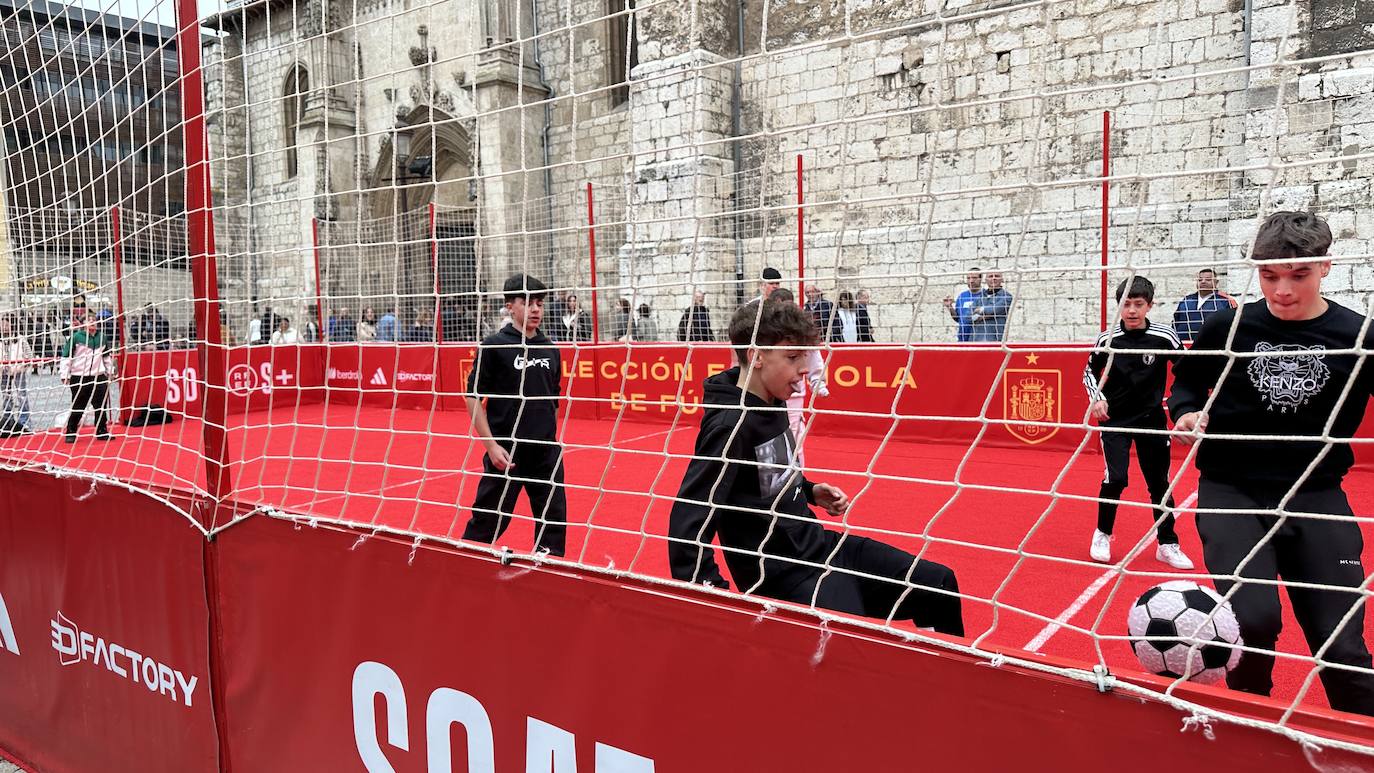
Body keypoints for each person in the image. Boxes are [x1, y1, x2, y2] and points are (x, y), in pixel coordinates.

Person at [1169, 211, 1374, 716]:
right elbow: (1188, 383)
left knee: (1342, 645)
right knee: (1252, 622)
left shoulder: (1360, 335)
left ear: (1325, 266)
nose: (1282, 290)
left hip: (1317, 494)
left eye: (1298, 275)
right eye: (1269, 276)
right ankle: (1250, 724)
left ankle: (1358, 741)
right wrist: (1187, 411)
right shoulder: (1230, 325)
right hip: (1232, 490)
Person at [667, 298, 963, 634]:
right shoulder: (730, 424)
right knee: (854, 643)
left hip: (820, 546)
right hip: (784, 575)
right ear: (757, 356)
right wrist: (713, 595)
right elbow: (688, 516)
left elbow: (766, 475)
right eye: (793, 358)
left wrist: (808, 490)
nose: (804, 370)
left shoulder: (773, 399)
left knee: (938, 582)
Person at [1082, 276, 1192, 570]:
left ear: (1149, 305)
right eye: (1126, 304)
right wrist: (1097, 397)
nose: (1131, 310)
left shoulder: (1164, 337)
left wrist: (1185, 407)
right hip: (1115, 419)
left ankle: (1168, 544)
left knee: (1159, 483)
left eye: (1138, 304)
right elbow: (1088, 372)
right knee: (1115, 478)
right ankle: (1102, 534)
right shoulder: (1108, 339)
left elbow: (1188, 371)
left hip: (1151, 419)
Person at [461, 274, 567, 557]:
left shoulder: (550, 349)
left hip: (546, 454)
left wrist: (547, 437)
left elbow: (553, 400)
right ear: (510, 306)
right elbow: (472, 396)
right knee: (487, 521)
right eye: (528, 303)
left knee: (553, 525)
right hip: (506, 453)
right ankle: (465, 566)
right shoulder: (494, 345)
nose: (535, 309)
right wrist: (491, 446)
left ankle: (550, 576)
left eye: (540, 304)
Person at [771, 287, 829, 466]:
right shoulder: (767, 330)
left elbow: (814, 358)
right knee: (770, 438)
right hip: (769, 393)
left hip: (794, 393)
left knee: (794, 436)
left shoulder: (801, 330)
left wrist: (818, 383)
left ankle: (796, 477)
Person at [60, 311, 114, 443]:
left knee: (101, 405)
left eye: (94, 320)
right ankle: (71, 431)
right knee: (78, 405)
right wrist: (64, 374)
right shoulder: (76, 337)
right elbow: (67, 356)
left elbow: (106, 356)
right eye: (89, 320)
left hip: (98, 375)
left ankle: (102, 430)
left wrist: (110, 371)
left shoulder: (102, 337)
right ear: (83, 324)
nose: (93, 323)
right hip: (79, 376)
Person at [1172, 267, 1237, 343]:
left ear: (1216, 282)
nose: (1203, 282)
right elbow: (1175, 322)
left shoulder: (1226, 301)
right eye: (1200, 280)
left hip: (1212, 346)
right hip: (1184, 345)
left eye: (1208, 280)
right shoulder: (1187, 300)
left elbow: (1234, 327)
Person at [0, 316, 33, 431]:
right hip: (3, 372)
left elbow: (29, 355)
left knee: (21, 396)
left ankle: (24, 422)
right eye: (2, 325)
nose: (4, 327)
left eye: (6, 324)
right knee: (6, 397)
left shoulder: (20, 339)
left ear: (12, 325)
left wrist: (24, 364)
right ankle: (7, 421)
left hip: (19, 370)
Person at [968, 270, 1012, 341]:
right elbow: (968, 316)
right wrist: (988, 315)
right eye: (990, 276)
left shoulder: (1007, 297)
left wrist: (980, 309)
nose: (993, 278)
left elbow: (995, 309)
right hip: (975, 340)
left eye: (997, 276)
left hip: (995, 340)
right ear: (986, 280)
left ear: (1002, 279)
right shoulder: (980, 297)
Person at [942, 269, 983, 342]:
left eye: (974, 278)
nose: (971, 281)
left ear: (981, 279)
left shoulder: (986, 295)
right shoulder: (962, 296)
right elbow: (957, 318)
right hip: (963, 339)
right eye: (968, 278)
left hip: (980, 339)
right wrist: (950, 307)